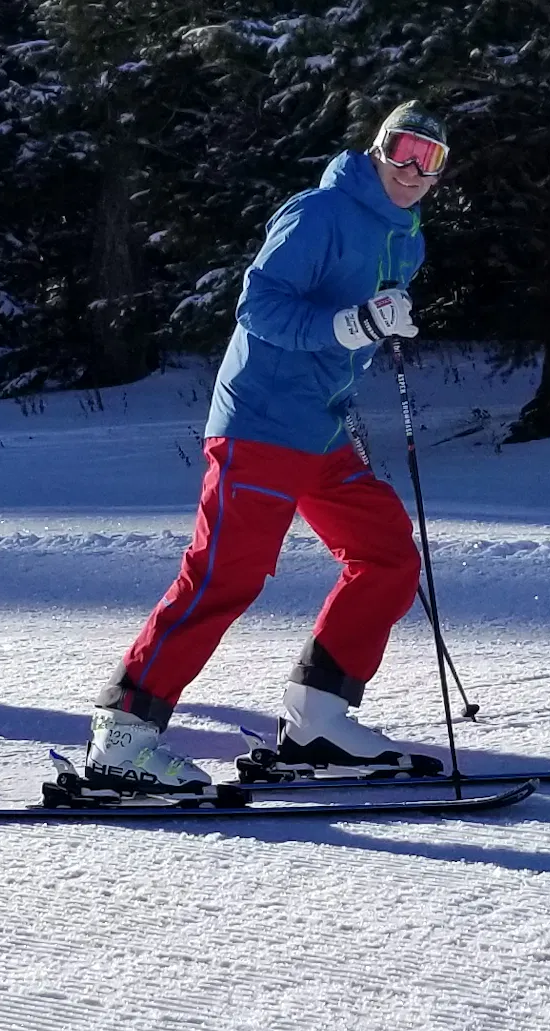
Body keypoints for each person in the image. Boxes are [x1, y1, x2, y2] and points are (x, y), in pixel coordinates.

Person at [84, 107, 449, 786]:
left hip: (320, 427)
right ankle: (122, 737)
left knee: (387, 554)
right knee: (226, 573)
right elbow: (258, 306)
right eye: (405, 151)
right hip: (260, 420)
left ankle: (319, 721)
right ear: (377, 149)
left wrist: (369, 331)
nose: (415, 171)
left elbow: (353, 333)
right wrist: (349, 323)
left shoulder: (408, 239)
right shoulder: (318, 212)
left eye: (433, 160)